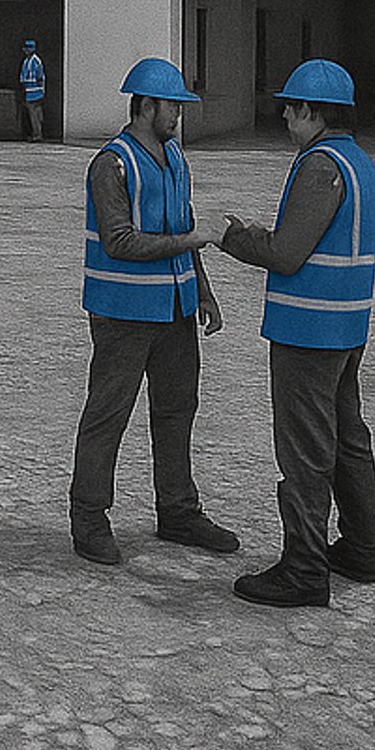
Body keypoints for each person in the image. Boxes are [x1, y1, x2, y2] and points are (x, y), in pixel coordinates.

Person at [216, 60, 375, 609]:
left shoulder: (320, 166)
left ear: (313, 113)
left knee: (305, 451)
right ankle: (364, 548)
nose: (285, 117)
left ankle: (305, 568)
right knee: (346, 438)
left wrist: (233, 238)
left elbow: (288, 254)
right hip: (345, 324)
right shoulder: (360, 163)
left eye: (291, 108)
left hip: (308, 330)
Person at [69, 57, 240, 566]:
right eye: (173, 106)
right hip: (123, 313)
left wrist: (203, 290)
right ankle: (89, 518)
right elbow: (119, 241)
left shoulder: (175, 159)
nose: (179, 116)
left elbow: (186, 228)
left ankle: (178, 511)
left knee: (176, 412)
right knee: (108, 415)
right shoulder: (112, 164)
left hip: (174, 309)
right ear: (145, 106)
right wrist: (192, 240)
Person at [17, 39, 47, 142]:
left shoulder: (35, 60)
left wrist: (40, 89)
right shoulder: (27, 61)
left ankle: (38, 134)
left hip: (35, 92)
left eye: (28, 48)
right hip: (29, 91)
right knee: (33, 114)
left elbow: (39, 76)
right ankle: (36, 133)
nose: (25, 50)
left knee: (35, 114)